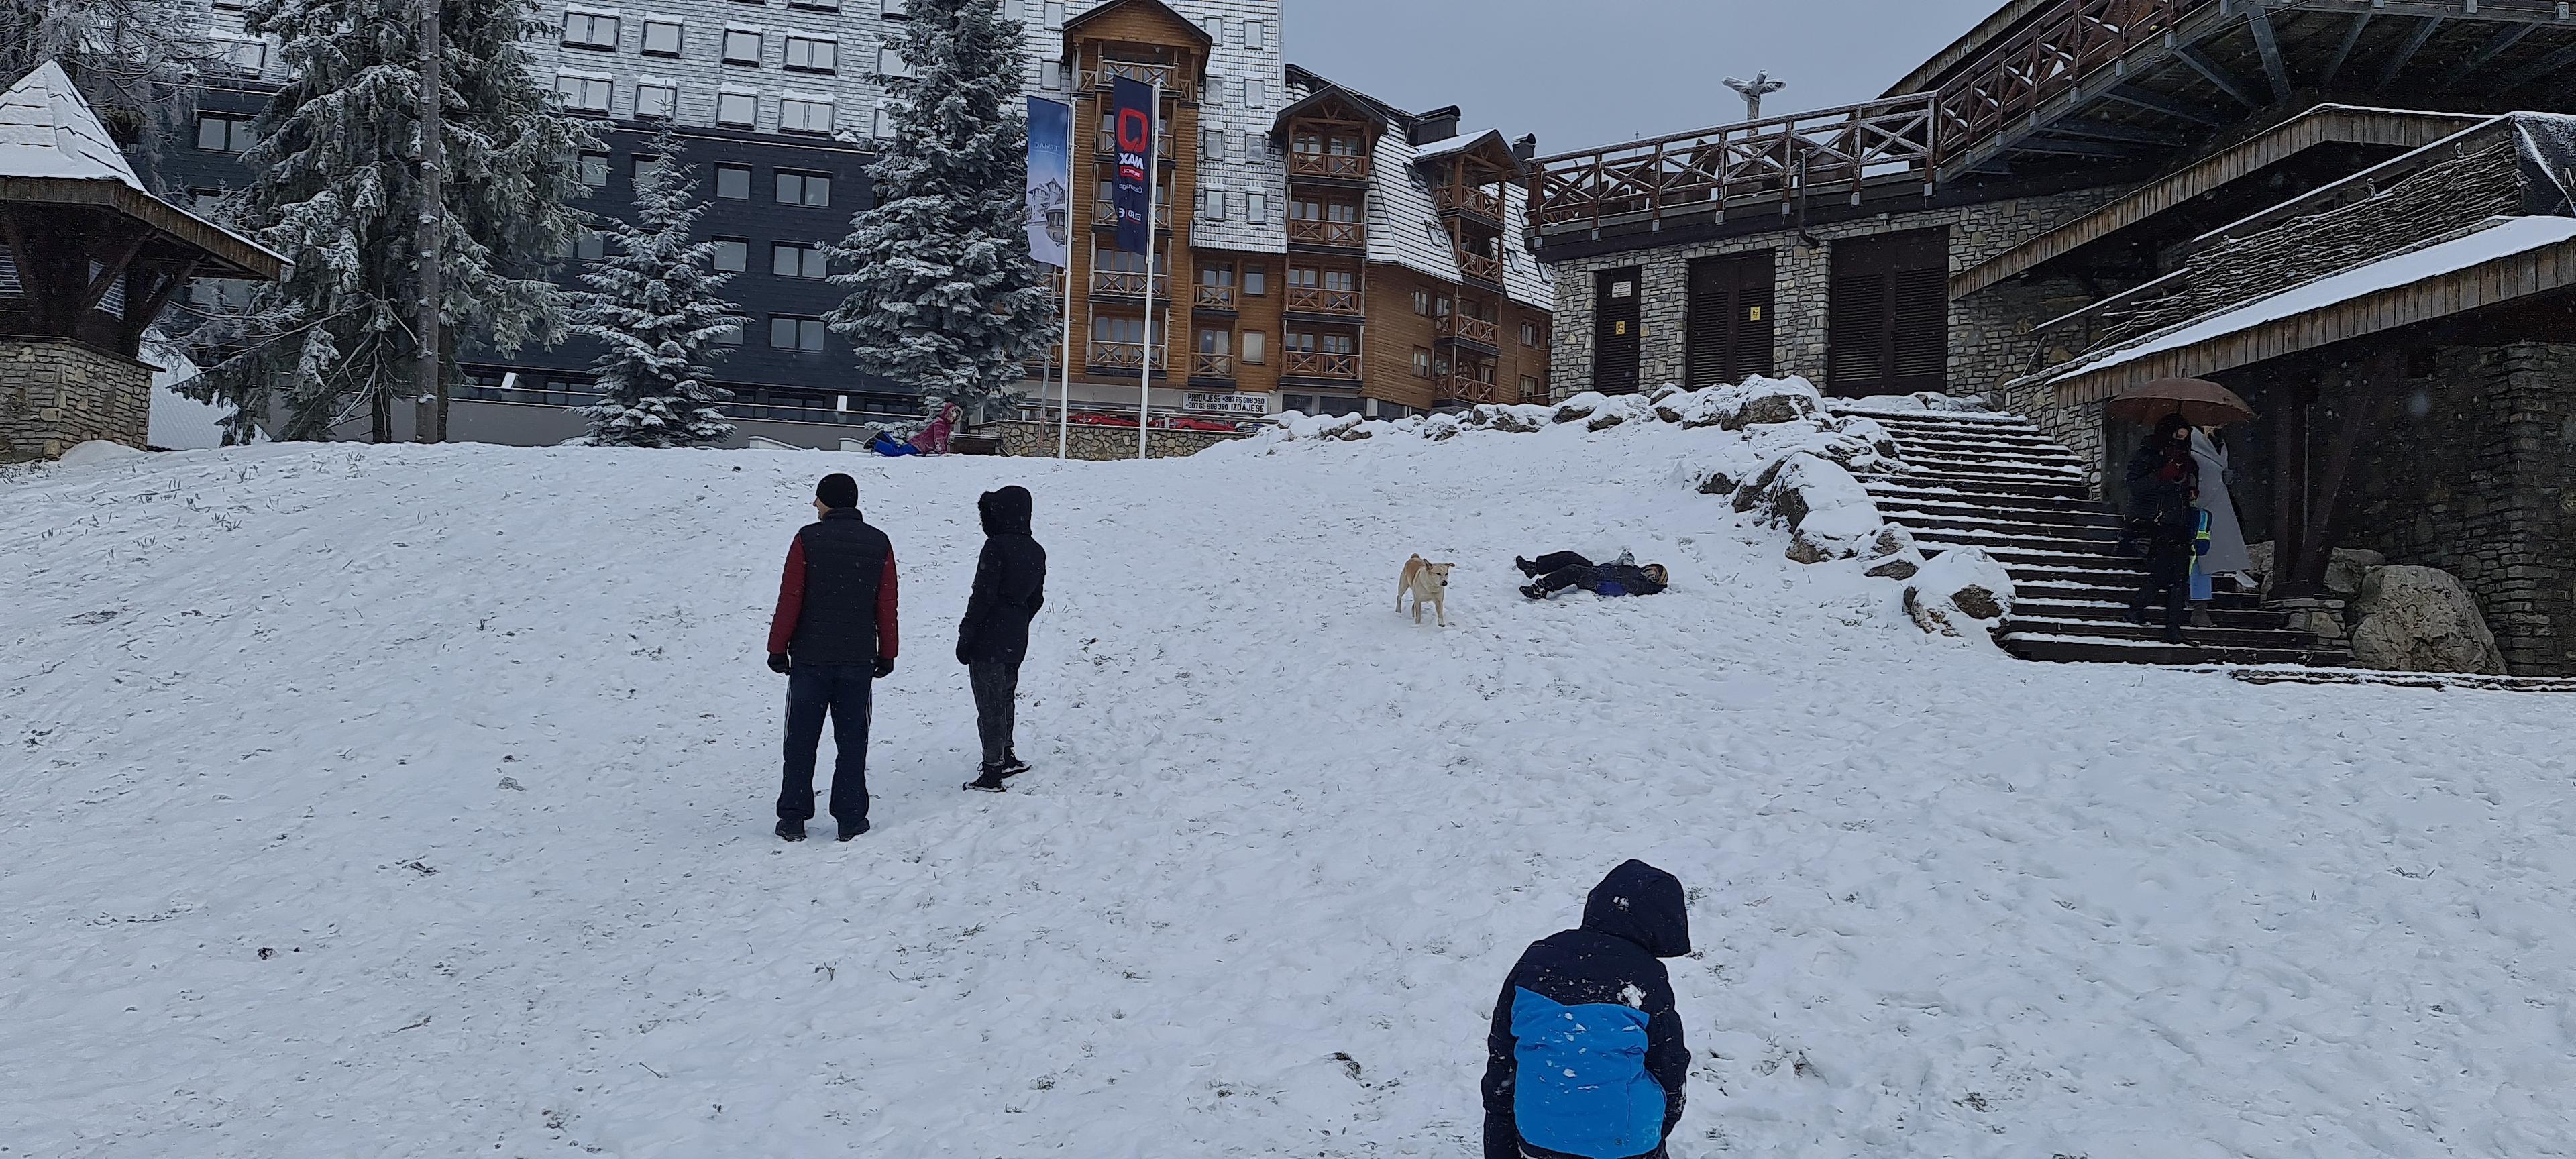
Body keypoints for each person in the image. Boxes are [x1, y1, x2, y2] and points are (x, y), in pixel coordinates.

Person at [1483, 860, 1692, 1159]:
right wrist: (1656, 1127)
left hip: (1540, 1133)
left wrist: (1500, 1139)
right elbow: (1669, 1066)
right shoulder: (1644, 978)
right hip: (1626, 1139)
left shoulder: (1537, 959)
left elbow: (1503, 1055)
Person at [766, 473, 900, 842]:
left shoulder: (807, 539)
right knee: (853, 739)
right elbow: (885, 605)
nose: (814, 506)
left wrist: (778, 647)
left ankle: (793, 817)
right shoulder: (879, 543)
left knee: (800, 739)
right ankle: (850, 817)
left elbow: (790, 597)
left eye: (818, 499)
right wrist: (887, 652)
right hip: (857, 659)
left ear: (829, 502)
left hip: (810, 658)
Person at [957, 486, 1046, 793]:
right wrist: (1017, 619)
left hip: (988, 635)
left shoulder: (995, 547)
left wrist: (967, 633)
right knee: (1005, 695)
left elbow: (982, 595)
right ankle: (1006, 753)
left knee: (989, 701)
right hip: (1016, 635)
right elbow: (1037, 599)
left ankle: (992, 768)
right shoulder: (1036, 550)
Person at [2127, 414, 2200, 644]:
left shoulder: (2188, 460)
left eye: (2185, 438)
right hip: (2155, 523)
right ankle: (2142, 611)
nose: (2181, 442)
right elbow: (2135, 486)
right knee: (2166, 574)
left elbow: (2187, 488)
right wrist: (2162, 477)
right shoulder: (2148, 456)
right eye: (2178, 436)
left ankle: (2171, 627)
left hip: (2179, 522)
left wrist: (2190, 489)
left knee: (2178, 577)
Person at [2188, 426, 2255, 588]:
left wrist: (2225, 476)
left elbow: (2217, 465)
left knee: (2219, 538)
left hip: (2218, 496)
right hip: (2202, 498)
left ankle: (2225, 569)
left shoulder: (2219, 441)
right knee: (2202, 548)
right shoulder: (2193, 441)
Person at [1515, 551, 1670, 600]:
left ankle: (1540, 589)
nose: (1652, 570)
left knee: (1575, 570)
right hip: (1598, 570)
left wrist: (1659, 584)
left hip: (1599, 581)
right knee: (1572, 557)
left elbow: (1637, 587)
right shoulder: (1635, 569)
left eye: (1656, 573)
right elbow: (1625, 560)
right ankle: (1534, 568)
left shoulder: (1644, 585)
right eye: (1654, 567)